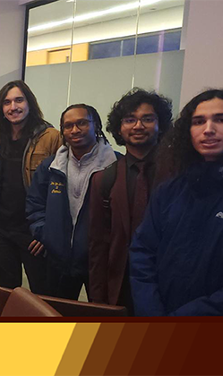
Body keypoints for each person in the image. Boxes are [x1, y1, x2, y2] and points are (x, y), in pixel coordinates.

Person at [130, 89, 223, 316]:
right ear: (188, 131)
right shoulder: (170, 190)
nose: (209, 130)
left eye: (221, 120)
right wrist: (151, 311)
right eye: (199, 121)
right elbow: (142, 251)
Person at [0, 80, 61, 295]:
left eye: (19, 100)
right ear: (1, 108)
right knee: (5, 293)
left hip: (33, 234)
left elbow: (61, 191)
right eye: (7, 102)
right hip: (0, 231)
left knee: (43, 295)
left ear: (30, 103)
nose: (13, 107)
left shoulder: (51, 137)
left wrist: (47, 232)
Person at [87, 89, 172, 310]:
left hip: (170, 282)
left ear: (160, 125)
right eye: (129, 120)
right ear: (119, 129)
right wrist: (97, 300)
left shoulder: (180, 175)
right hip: (122, 283)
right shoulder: (103, 180)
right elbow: (98, 245)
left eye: (147, 119)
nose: (138, 126)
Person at [26, 104, 118, 300]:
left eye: (82, 123)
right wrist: (45, 233)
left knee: (102, 316)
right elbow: (35, 203)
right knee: (57, 314)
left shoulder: (116, 166)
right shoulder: (50, 167)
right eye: (68, 126)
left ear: (96, 126)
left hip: (99, 260)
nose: (75, 130)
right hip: (59, 258)